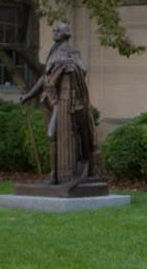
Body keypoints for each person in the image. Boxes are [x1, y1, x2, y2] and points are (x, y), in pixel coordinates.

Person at [21, 21, 96, 185]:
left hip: (69, 99)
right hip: (54, 101)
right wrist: (29, 96)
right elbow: (46, 78)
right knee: (52, 134)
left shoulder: (71, 50)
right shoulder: (52, 52)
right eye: (53, 30)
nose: (54, 32)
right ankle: (54, 175)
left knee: (62, 133)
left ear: (66, 33)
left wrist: (69, 63)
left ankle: (81, 168)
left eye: (58, 30)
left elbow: (82, 70)